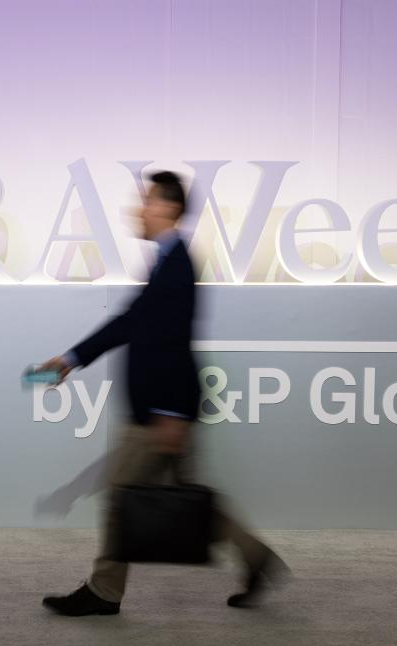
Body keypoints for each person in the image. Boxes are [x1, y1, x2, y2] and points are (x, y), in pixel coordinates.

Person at [39, 171, 290, 617]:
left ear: (170, 208)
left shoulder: (176, 266)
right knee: (187, 498)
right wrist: (72, 358)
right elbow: (130, 322)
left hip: (161, 411)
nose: (138, 209)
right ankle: (257, 557)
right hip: (164, 409)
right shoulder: (166, 262)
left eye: (148, 200)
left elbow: (173, 342)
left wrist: (169, 412)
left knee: (122, 495)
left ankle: (104, 591)